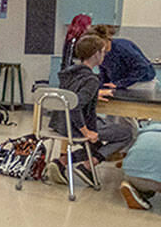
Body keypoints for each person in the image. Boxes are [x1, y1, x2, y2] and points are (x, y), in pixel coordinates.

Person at [45, 34, 135, 187]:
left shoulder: (70, 73)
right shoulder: (91, 79)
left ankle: (61, 162)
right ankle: (87, 166)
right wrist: (86, 132)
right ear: (96, 54)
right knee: (126, 133)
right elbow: (75, 106)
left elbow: (73, 96)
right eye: (103, 52)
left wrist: (94, 94)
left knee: (98, 146)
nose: (104, 55)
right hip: (75, 127)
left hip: (59, 123)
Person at [91, 24, 157, 91]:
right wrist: (103, 87)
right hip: (120, 82)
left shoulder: (122, 48)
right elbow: (104, 71)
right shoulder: (101, 52)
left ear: (106, 39)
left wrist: (120, 84)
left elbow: (142, 68)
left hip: (141, 82)